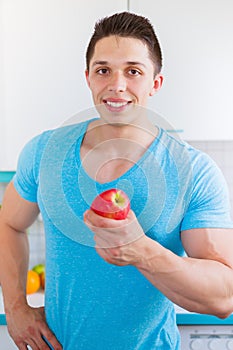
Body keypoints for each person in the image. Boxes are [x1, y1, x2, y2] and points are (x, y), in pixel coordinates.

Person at [0, 11, 233, 350]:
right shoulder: (43, 152)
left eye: (133, 71)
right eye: (103, 70)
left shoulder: (194, 172)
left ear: (156, 83)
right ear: (88, 78)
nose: (117, 85)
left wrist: (140, 250)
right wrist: (16, 306)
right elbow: (9, 224)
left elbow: (224, 295)